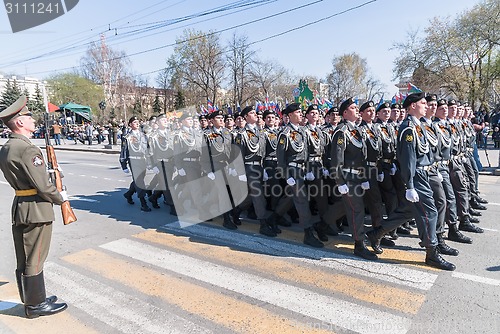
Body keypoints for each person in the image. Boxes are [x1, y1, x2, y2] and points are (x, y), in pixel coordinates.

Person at [367, 92, 456, 271]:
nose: (427, 106)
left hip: (425, 174)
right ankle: (431, 252)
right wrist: (410, 185)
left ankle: (376, 233)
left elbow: (427, 153)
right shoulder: (408, 128)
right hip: (416, 177)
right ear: (413, 106)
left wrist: (434, 170)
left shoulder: (420, 126)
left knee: (407, 212)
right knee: (429, 212)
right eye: (423, 103)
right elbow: (407, 159)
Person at [0, 95, 68, 318]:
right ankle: (36, 305)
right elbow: (42, 186)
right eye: (28, 116)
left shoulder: (8, 147)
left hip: (21, 206)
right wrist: (61, 198)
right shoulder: (28, 149)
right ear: (19, 122)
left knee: (25, 257)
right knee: (36, 258)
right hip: (37, 209)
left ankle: (32, 299)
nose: (32, 119)